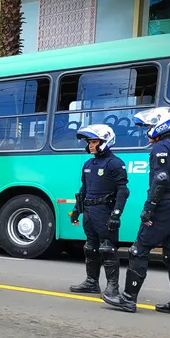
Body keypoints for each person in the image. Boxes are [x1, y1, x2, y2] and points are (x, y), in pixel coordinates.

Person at [102, 107, 170, 316]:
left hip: (166, 205)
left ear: (162, 125)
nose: (148, 131)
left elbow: (161, 179)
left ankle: (128, 299)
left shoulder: (161, 147)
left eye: (151, 126)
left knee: (139, 249)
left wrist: (149, 208)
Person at [68, 124, 129, 299]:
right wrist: (76, 211)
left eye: (94, 141)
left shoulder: (115, 163)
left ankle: (112, 288)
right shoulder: (88, 164)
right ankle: (91, 282)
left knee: (107, 249)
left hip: (105, 211)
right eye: (89, 142)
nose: (90, 145)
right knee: (90, 247)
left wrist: (116, 214)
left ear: (106, 141)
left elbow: (123, 191)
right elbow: (84, 189)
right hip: (89, 210)